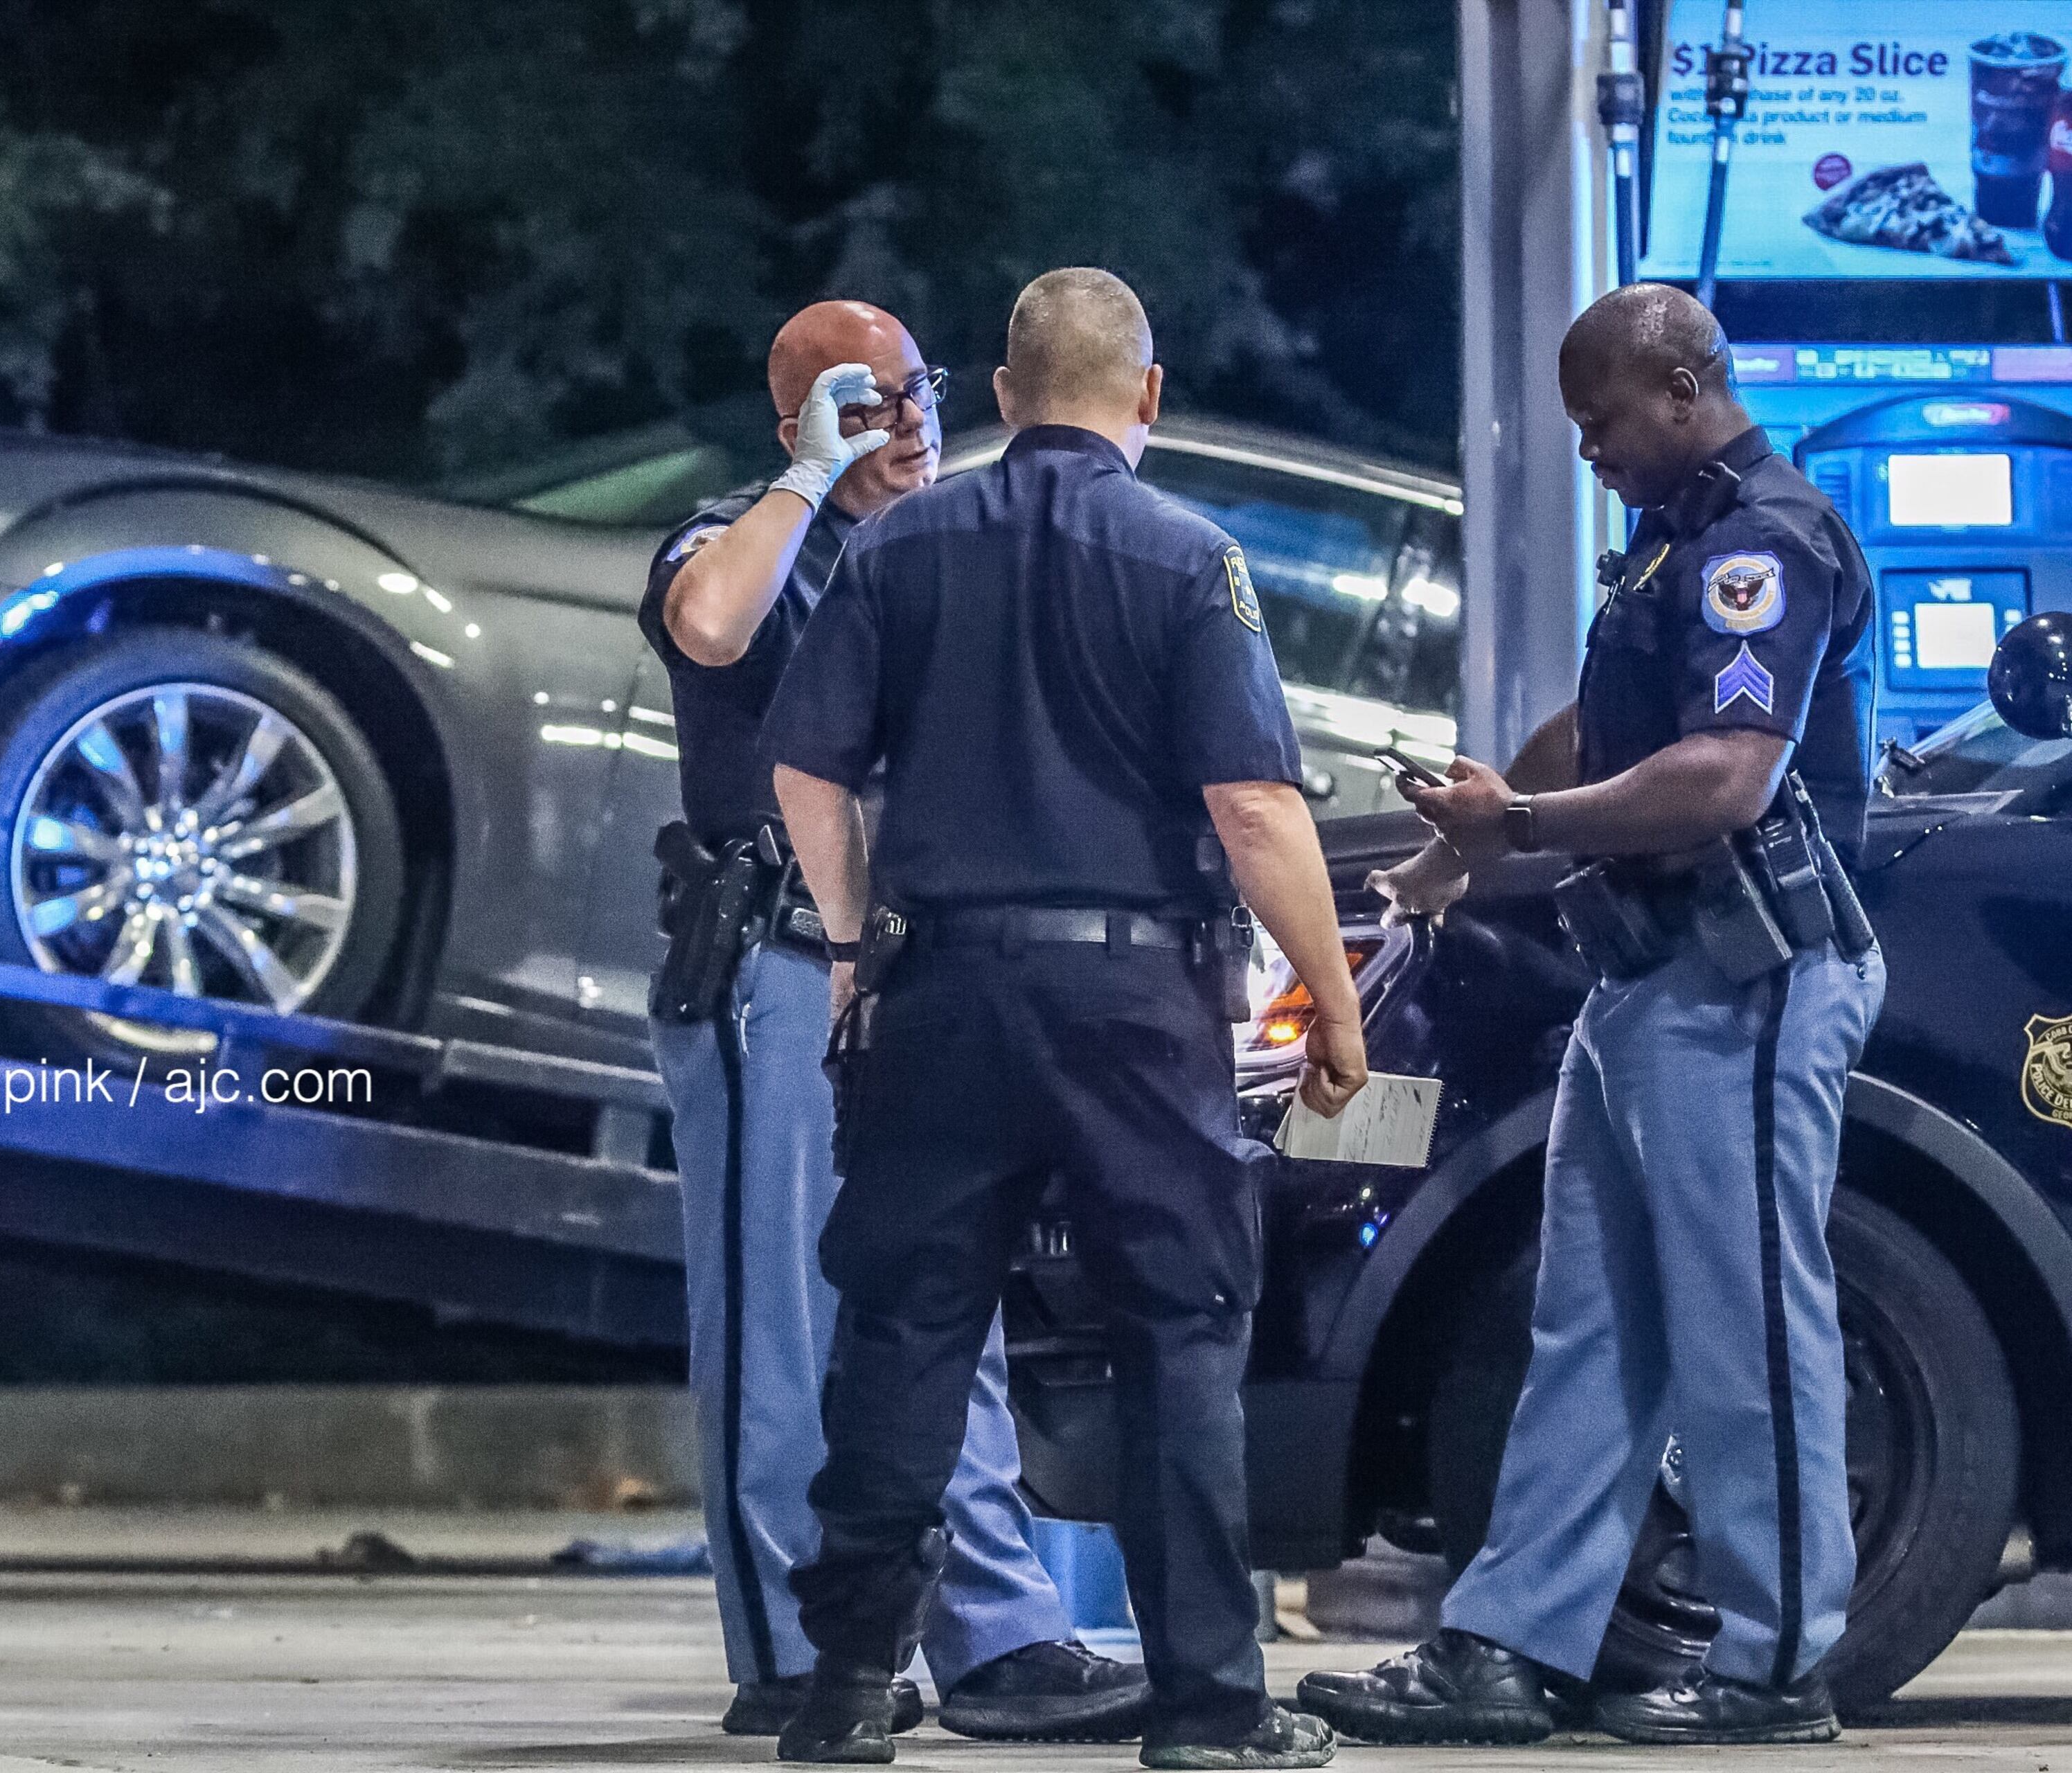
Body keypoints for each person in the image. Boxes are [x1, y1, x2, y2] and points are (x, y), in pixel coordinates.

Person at [762, 267, 1368, 1770]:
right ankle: (1212, 1712)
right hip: (1133, 1003)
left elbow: (807, 773)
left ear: (1005, 390)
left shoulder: (898, 546)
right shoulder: (1188, 556)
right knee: (1179, 1335)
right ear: (1145, 396)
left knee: (904, 1331)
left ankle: (844, 1693)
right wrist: (1339, 1004)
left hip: (941, 992)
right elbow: (1251, 803)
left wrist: (851, 943)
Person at [1297, 283, 1884, 1749]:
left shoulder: (1764, 540)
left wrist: (1531, 817)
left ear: (1683, 386)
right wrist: (1458, 849)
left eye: (1601, 420)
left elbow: (1729, 774)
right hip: (1651, 982)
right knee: (1591, 1329)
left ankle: (1777, 1662)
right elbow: (1601, 727)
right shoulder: (1678, 540)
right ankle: (1510, 1643)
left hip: (1745, 980)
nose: (1588, 451)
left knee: (1747, 1323)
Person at [643, 299, 1150, 1745]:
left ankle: (991, 1634)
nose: (908, 420)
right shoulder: (740, 534)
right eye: (864, 401)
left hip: (928, 965)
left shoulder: (944, 545)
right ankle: (805, 1650)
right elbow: (711, 623)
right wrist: (807, 477)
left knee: (947, 1313)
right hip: (781, 962)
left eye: (918, 390)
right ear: (795, 415)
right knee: (786, 1320)